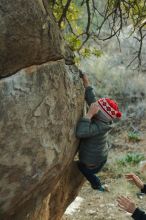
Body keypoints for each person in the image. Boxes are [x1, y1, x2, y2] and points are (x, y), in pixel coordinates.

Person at [76, 72, 122, 192]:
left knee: (80, 166)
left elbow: (81, 132)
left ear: (99, 113)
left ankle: (97, 185)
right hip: (101, 156)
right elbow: (93, 100)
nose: (94, 106)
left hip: (93, 164)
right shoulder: (103, 117)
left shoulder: (99, 127)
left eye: (97, 107)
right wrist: (86, 83)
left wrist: (89, 114)